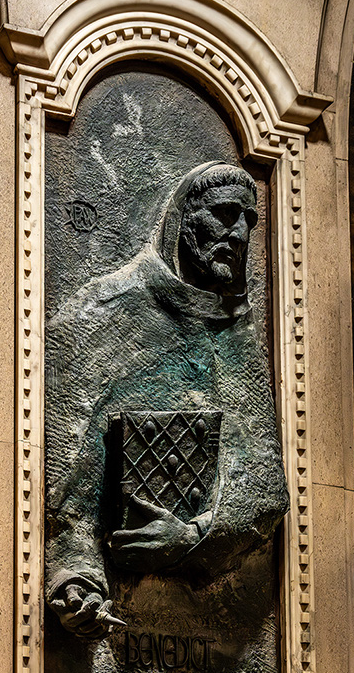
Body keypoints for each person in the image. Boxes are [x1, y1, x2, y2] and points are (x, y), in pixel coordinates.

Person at [44, 162, 289, 640]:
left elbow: (265, 487)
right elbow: (70, 486)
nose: (238, 233)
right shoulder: (103, 310)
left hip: (215, 627)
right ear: (183, 219)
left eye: (248, 221)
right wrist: (78, 581)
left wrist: (193, 536)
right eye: (223, 214)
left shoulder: (235, 333)